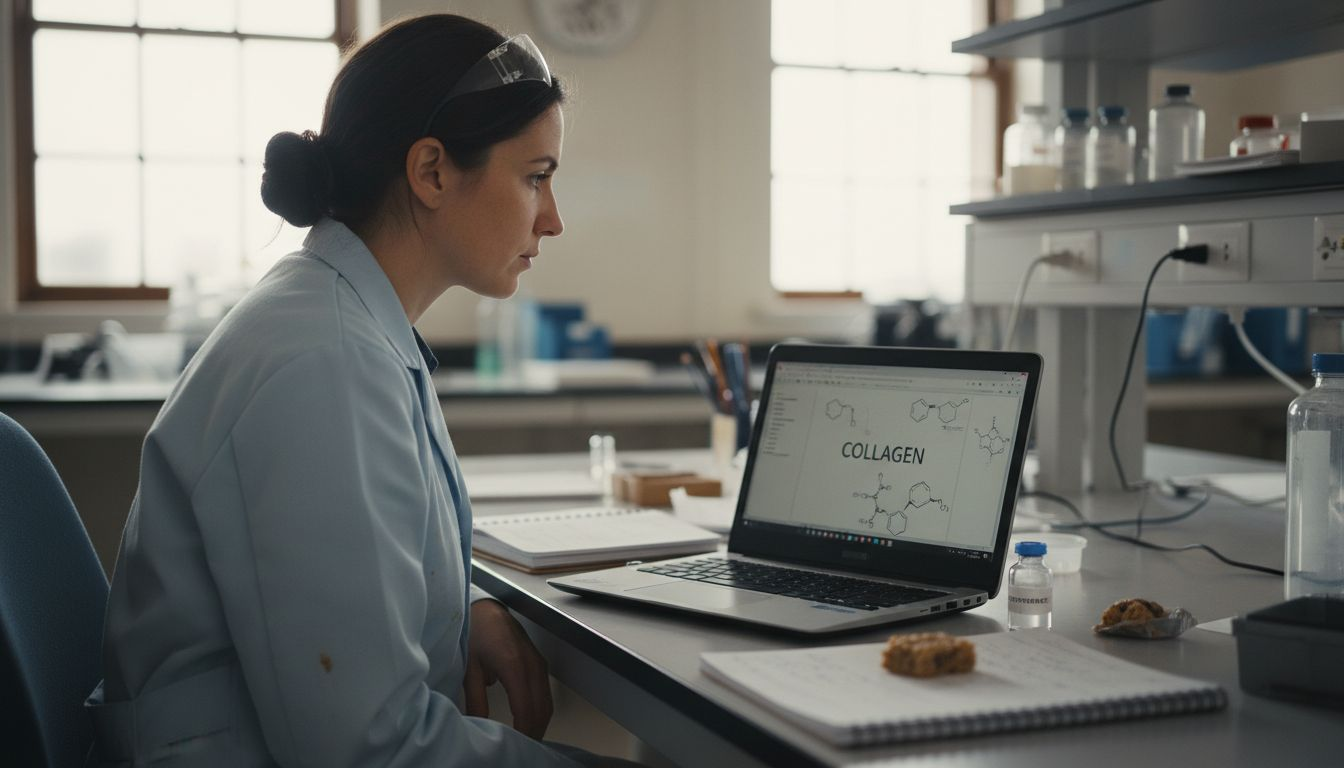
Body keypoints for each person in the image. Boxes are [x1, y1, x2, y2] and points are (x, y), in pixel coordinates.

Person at [86, 14, 627, 767]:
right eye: (536, 177)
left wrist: (464, 608)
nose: (553, 219)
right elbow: (372, 750)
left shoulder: (338, 318)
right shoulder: (324, 362)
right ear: (431, 171)